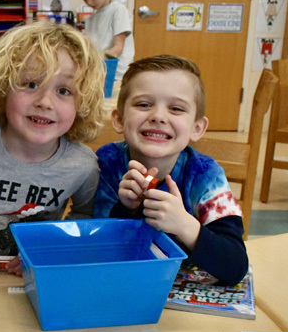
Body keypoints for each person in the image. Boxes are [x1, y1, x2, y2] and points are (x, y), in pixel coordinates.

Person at [0, 21, 107, 276]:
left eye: (64, 90)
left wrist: (53, 247)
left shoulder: (83, 165)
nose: (44, 102)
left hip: (37, 279)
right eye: (31, 84)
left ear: (83, 102)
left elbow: (85, 214)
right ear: (4, 88)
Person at [93, 54, 248, 285]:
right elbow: (98, 252)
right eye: (144, 104)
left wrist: (185, 225)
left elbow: (235, 266)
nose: (158, 116)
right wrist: (127, 209)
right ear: (118, 119)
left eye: (176, 108)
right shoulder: (107, 163)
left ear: (196, 128)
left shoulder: (206, 176)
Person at [73, 0, 134, 82]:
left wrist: (95, 60)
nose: (89, 2)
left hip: (116, 76)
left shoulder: (118, 10)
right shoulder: (90, 19)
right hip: (98, 73)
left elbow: (118, 49)